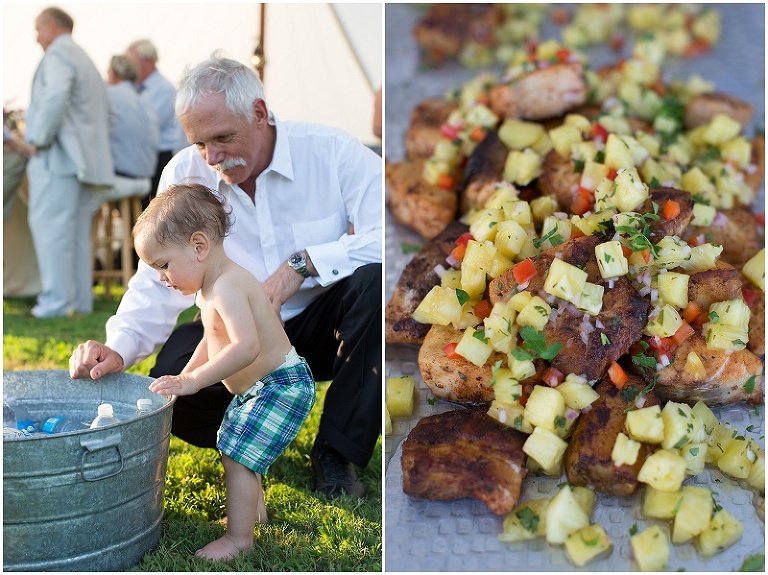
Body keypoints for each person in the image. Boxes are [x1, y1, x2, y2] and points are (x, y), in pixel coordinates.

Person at [69, 53, 383, 500]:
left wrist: (303, 265)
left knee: (372, 283)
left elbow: (387, 238)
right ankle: (257, 433)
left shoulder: (333, 151)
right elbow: (155, 275)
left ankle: (337, 451)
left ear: (259, 113)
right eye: (200, 143)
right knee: (173, 387)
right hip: (228, 331)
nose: (212, 157)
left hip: (323, 324)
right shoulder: (184, 172)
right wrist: (119, 347)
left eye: (223, 138)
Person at [134, 183, 315, 561]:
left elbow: (245, 346)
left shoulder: (230, 284)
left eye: (164, 265)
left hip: (280, 385)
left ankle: (238, 539)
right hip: (258, 388)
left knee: (237, 453)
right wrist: (184, 375)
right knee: (235, 444)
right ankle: (254, 515)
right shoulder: (208, 289)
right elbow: (211, 340)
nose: (163, 277)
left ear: (199, 246)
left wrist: (195, 381)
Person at [24, 6, 114, 318]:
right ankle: (78, 302)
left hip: (58, 158)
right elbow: (107, 114)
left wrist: (38, 139)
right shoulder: (84, 57)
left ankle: (55, 303)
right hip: (84, 162)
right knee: (74, 234)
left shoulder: (58, 55)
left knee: (51, 230)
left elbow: (55, 97)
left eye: (38, 29)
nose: (36, 37)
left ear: (49, 25)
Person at [125, 39, 186, 208]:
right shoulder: (135, 88)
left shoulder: (164, 89)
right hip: (143, 157)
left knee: (151, 208)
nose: (129, 66)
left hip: (159, 158)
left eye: (132, 61)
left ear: (148, 61)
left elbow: (146, 125)